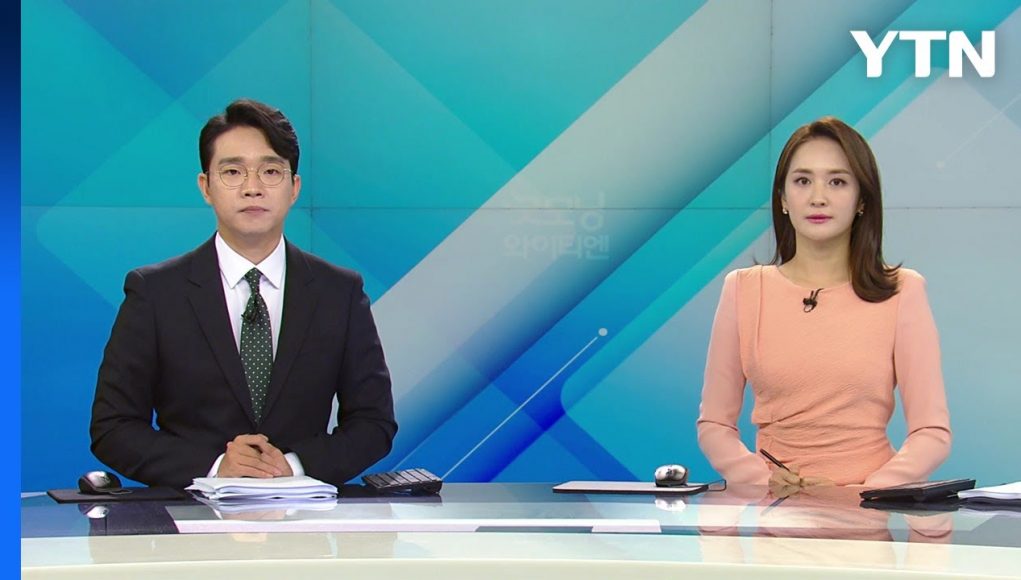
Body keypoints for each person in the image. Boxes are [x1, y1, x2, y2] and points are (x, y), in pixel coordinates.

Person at [90, 99, 397, 488]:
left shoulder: (340, 293)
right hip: (190, 515)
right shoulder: (155, 293)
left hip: (304, 516)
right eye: (233, 172)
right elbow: (113, 426)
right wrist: (217, 467)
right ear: (206, 187)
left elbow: (373, 423)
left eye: (270, 171)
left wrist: (292, 466)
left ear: (294, 188)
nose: (253, 188)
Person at [696, 116, 950, 494]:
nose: (818, 197)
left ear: (862, 200)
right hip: (776, 512)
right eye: (803, 181)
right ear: (783, 199)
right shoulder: (744, 290)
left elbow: (932, 432)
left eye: (837, 182)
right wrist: (763, 481)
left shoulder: (902, 291)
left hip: (868, 510)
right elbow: (715, 425)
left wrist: (866, 492)